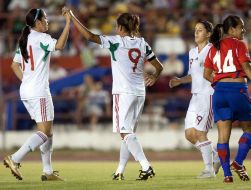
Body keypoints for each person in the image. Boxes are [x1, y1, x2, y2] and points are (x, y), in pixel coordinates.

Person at [65, 9, 163, 180]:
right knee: (128, 133)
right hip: (140, 92)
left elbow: (89, 36)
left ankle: (146, 166)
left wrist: (72, 17)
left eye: (116, 26)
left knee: (125, 132)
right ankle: (119, 171)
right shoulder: (142, 43)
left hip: (123, 92)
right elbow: (159, 67)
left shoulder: (115, 41)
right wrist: (154, 77)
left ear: (120, 28)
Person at [3, 8, 71, 181]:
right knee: (44, 132)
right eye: (45, 19)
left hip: (27, 90)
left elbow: (14, 66)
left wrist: (27, 81)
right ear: (38, 22)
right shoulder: (41, 38)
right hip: (38, 91)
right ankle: (15, 158)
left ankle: (48, 171)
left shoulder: (24, 40)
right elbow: (60, 45)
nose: (47, 22)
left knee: (48, 131)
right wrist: (69, 22)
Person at [204, 15, 251, 183]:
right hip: (237, 90)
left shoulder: (213, 48)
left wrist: (220, 84)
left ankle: (227, 175)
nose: (243, 30)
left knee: (222, 137)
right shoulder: (239, 44)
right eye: (241, 27)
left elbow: (206, 74)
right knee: (248, 129)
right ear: (232, 29)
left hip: (219, 93)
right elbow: (246, 66)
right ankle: (238, 163)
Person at [169, 20, 221, 179]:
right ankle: (217, 156)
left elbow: (218, 72)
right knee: (189, 134)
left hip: (208, 95)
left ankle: (209, 169)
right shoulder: (192, 52)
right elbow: (194, 75)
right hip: (195, 96)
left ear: (209, 34)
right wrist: (180, 80)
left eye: (200, 30)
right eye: (195, 30)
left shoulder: (213, 50)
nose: (196, 32)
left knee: (200, 132)